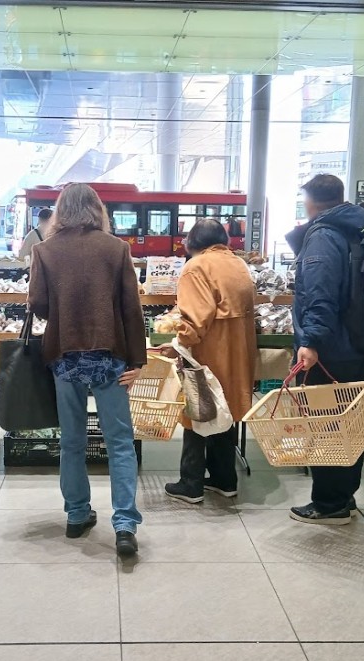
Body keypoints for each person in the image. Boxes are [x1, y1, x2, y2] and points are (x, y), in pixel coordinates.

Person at [28, 184, 146, 557]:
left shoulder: (44, 250)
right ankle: (125, 524)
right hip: (110, 357)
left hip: (65, 358)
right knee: (120, 443)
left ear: (61, 210)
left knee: (72, 441)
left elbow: (39, 305)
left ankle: (77, 515)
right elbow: (131, 309)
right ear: (97, 209)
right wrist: (138, 361)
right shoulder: (116, 249)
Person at [289, 174, 364, 525]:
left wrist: (311, 342)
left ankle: (329, 503)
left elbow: (320, 296)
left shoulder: (323, 237)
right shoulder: (354, 230)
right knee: (346, 423)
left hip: (329, 347)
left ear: (311, 200)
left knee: (325, 425)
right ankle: (343, 496)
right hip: (353, 343)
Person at [163, 219, 257, 503]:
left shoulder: (197, 267)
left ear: (192, 243)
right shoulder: (238, 265)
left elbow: (194, 319)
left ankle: (190, 483)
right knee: (223, 412)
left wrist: (178, 343)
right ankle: (224, 479)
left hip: (207, 354)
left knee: (198, 411)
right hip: (237, 354)